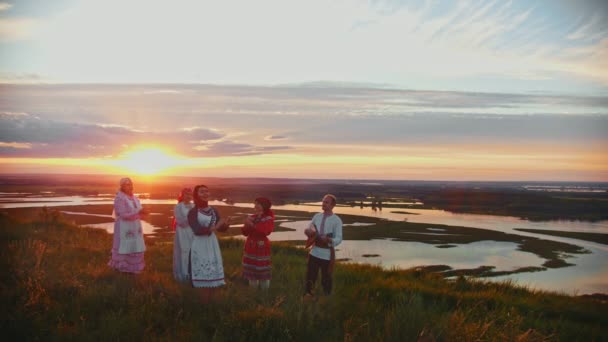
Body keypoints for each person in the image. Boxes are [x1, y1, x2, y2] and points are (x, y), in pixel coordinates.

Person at [188, 184, 231, 303]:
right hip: (200, 244)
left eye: (207, 191)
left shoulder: (214, 210)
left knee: (213, 271)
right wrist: (217, 226)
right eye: (202, 192)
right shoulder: (193, 212)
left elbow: (221, 229)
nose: (205, 193)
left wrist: (225, 224)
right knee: (203, 273)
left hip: (212, 243)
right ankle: (204, 305)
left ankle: (213, 304)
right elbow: (197, 230)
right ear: (196, 195)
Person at [303, 194, 343, 298]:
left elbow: (339, 238)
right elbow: (310, 228)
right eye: (323, 201)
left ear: (333, 205)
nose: (323, 204)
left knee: (326, 279)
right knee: (310, 278)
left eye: (326, 202)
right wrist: (307, 231)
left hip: (327, 255)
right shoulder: (317, 216)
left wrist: (329, 239)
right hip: (314, 252)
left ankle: (326, 299)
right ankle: (308, 296)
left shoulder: (336, 220)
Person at [108, 177, 148, 273]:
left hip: (135, 228)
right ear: (122, 186)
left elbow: (138, 212)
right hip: (124, 228)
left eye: (131, 184)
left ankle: (133, 269)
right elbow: (122, 214)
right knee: (124, 246)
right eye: (127, 185)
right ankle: (122, 268)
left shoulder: (134, 198)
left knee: (135, 246)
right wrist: (138, 211)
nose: (130, 187)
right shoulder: (119, 198)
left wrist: (143, 212)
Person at [241, 197, 274, 289]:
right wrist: (246, 225)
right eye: (255, 204)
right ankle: (253, 294)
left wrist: (251, 224)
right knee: (251, 273)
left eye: (258, 204)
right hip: (250, 246)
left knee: (263, 273)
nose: (255, 206)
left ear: (264, 206)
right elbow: (245, 233)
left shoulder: (268, 218)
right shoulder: (252, 217)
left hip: (261, 247)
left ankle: (264, 295)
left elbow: (265, 231)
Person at [172, 187, 194, 283]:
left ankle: (192, 274)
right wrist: (192, 220)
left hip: (193, 232)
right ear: (182, 195)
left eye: (190, 194)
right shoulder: (178, 207)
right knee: (183, 251)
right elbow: (181, 222)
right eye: (186, 194)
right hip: (182, 232)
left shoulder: (194, 206)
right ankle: (183, 274)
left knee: (192, 252)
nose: (188, 196)